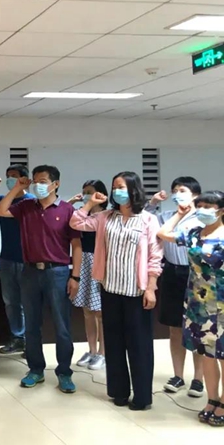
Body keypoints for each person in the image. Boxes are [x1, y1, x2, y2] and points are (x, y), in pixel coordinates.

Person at [70, 172, 163, 411]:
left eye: (121, 187)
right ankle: (119, 392)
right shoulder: (105, 217)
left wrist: (151, 288)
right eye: (114, 187)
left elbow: (155, 257)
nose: (117, 191)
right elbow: (76, 223)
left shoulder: (148, 220)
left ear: (134, 189)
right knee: (114, 343)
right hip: (110, 289)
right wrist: (89, 203)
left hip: (136, 292)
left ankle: (142, 397)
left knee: (139, 345)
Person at [0, 165, 82, 394]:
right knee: (32, 325)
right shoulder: (26, 206)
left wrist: (75, 276)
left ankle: (64, 372)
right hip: (30, 272)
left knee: (62, 326)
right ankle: (35, 369)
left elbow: (76, 246)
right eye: (35, 181)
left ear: (56, 184)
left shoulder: (67, 210)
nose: (38, 185)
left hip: (58, 272)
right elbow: (0, 211)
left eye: (43, 181)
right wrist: (17, 188)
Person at [158, 191, 224, 426]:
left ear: (221, 210)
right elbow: (162, 233)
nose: (204, 209)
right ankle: (212, 399)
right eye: (201, 205)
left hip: (222, 304)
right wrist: (179, 214)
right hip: (198, 304)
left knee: (223, 356)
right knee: (206, 354)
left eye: (209, 206)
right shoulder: (194, 234)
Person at [146, 177, 205, 397]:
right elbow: (145, 221)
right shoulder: (167, 216)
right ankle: (178, 375)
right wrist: (153, 202)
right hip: (171, 272)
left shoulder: (203, 218)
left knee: (199, 328)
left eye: (182, 190)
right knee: (174, 327)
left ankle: (198, 379)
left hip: (197, 274)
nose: (177, 194)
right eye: (174, 191)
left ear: (195, 195)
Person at [0, 165, 35, 355]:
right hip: (6, 258)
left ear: (24, 179)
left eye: (14, 176)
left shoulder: (31, 201)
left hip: (27, 259)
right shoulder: (3, 200)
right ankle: (17, 338)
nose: (10, 179)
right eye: (8, 176)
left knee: (28, 302)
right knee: (11, 301)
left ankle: (31, 341)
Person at [67, 180, 109, 371]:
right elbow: (68, 219)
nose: (86, 196)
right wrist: (73, 202)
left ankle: (103, 352)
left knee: (100, 312)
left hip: (100, 263)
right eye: (84, 192)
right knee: (87, 311)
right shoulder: (82, 214)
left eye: (90, 192)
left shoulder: (107, 215)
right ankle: (91, 350)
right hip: (82, 262)